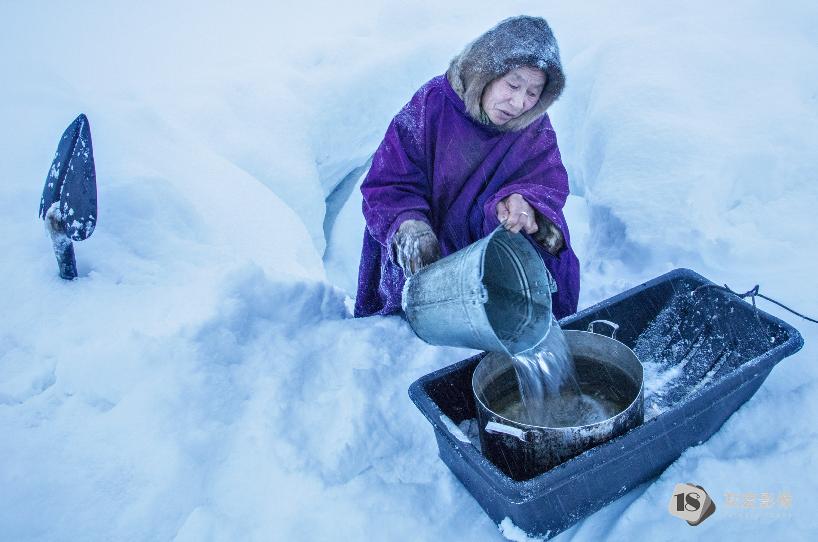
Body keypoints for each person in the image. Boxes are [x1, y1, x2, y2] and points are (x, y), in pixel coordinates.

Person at [354, 15, 580, 319]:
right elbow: (389, 182)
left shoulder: (534, 128)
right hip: (430, 259)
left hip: (490, 260)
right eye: (513, 85)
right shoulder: (432, 104)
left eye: (532, 93)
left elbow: (547, 182)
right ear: (487, 73)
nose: (518, 103)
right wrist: (409, 228)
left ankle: (524, 316)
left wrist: (524, 202)